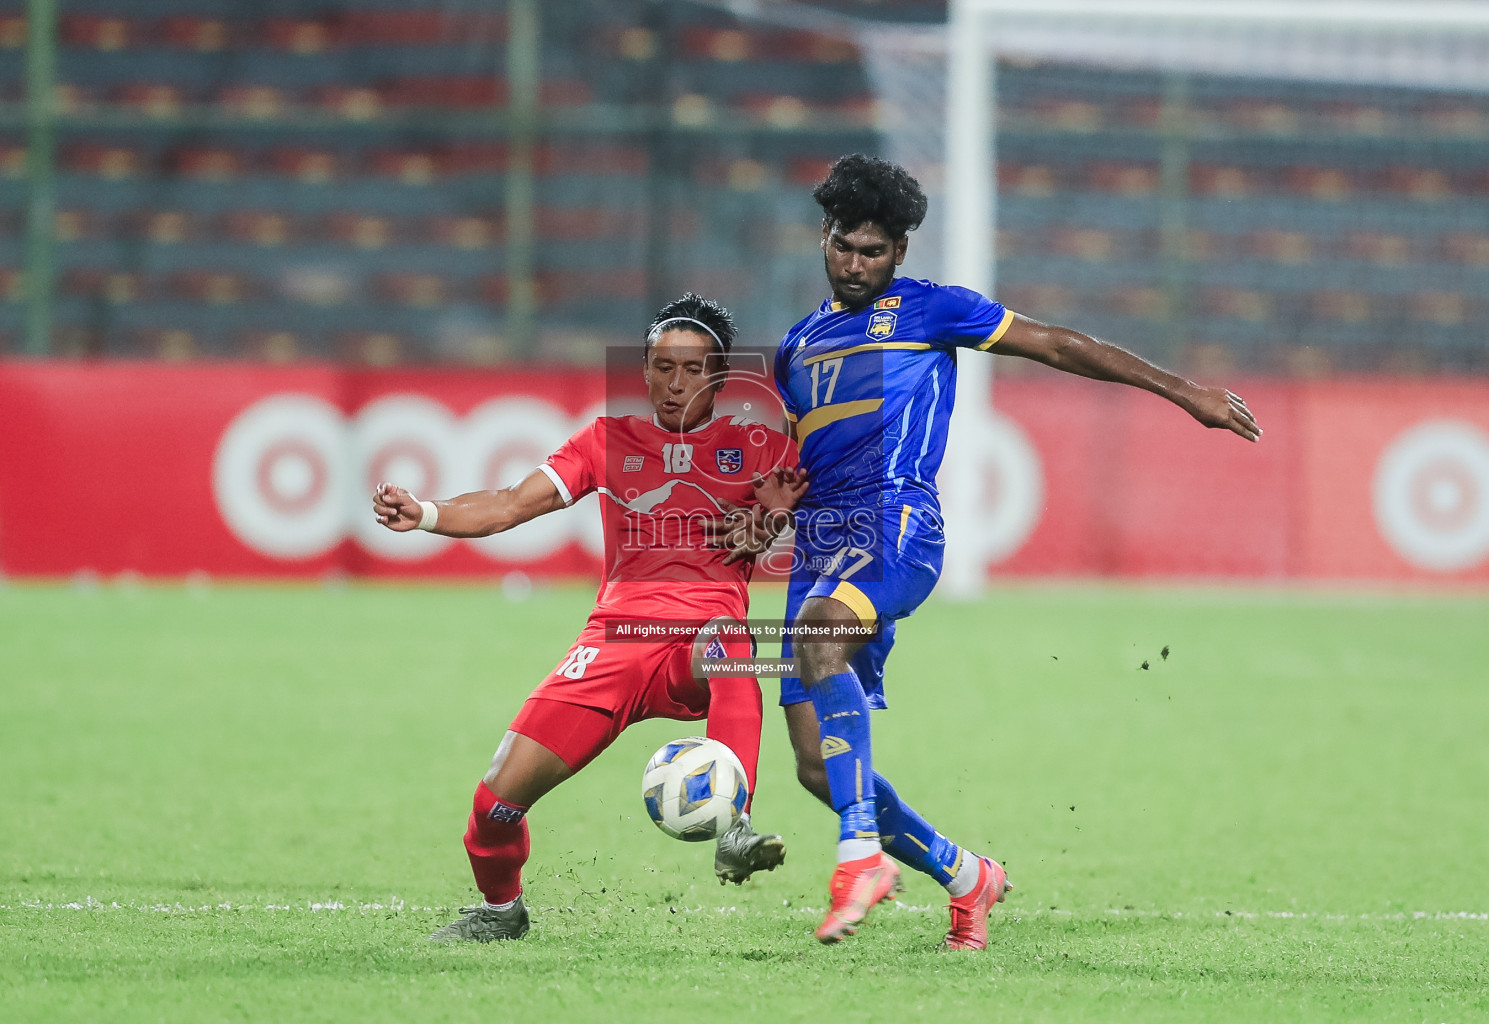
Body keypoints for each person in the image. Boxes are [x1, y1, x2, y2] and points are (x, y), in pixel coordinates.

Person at [765, 154, 1262, 948]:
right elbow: (797, 462)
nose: (856, 263)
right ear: (822, 238)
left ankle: (859, 856)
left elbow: (1058, 345)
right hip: (819, 545)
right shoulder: (796, 347)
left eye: (874, 251)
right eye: (843, 246)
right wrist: (766, 509)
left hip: (895, 524)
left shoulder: (932, 310)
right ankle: (967, 876)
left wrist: (1184, 392)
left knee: (823, 636)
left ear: (899, 253)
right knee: (816, 768)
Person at [374, 294, 805, 943]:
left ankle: (733, 825)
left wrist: (776, 517)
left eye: (692, 369)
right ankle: (500, 912)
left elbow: (833, 514)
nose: (675, 382)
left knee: (731, 642)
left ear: (719, 376)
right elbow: (508, 505)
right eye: (662, 367)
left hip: (698, 644)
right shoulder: (608, 442)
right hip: (613, 643)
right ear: (644, 370)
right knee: (494, 804)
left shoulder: (763, 448)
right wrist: (428, 513)